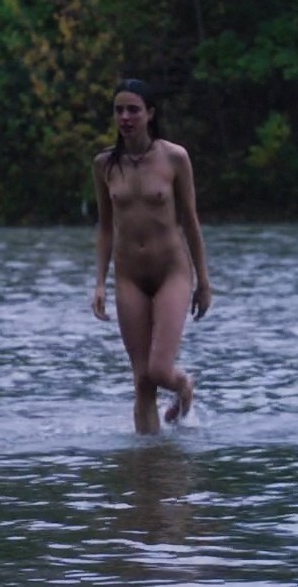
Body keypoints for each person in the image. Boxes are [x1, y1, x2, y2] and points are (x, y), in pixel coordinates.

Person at [92, 79, 212, 434]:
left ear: (150, 114)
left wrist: (203, 282)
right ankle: (148, 462)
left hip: (171, 272)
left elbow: (190, 221)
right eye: (119, 110)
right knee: (142, 380)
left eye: (133, 110)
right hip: (129, 276)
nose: (125, 117)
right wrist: (99, 283)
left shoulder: (174, 157)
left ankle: (183, 384)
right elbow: (105, 228)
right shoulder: (104, 165)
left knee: (159, 370)